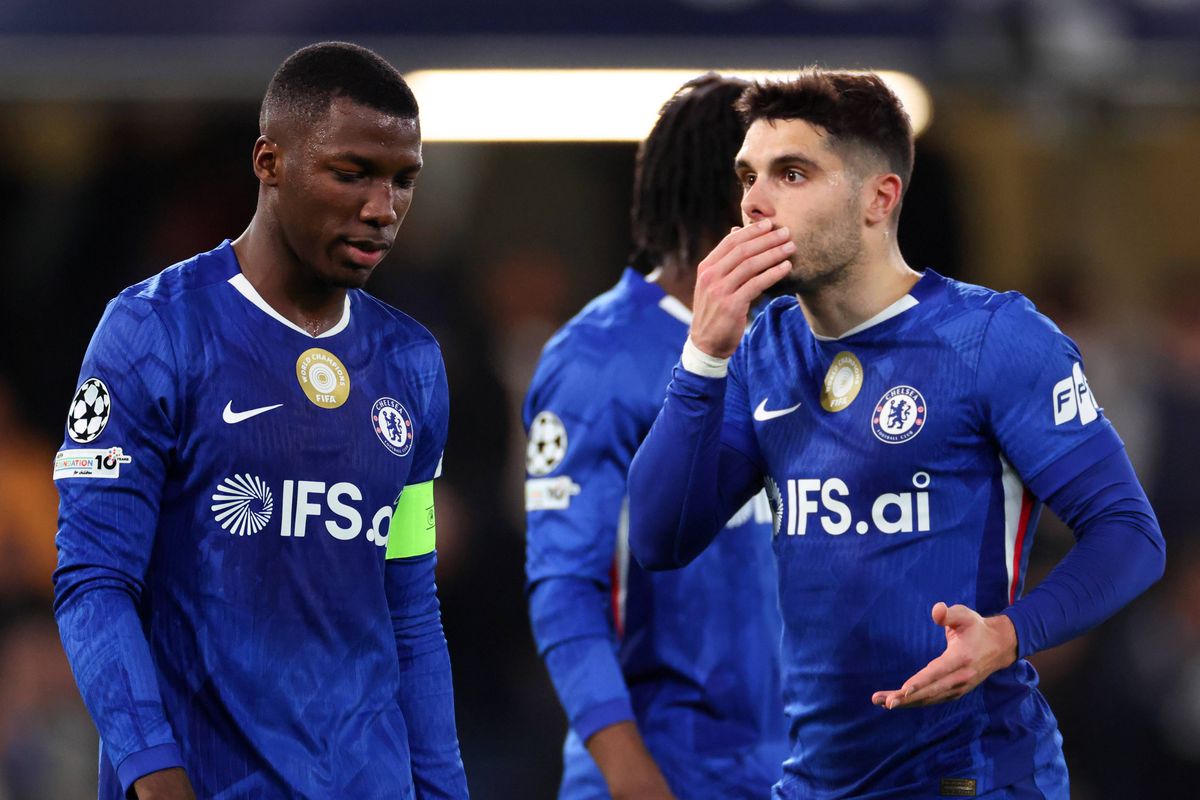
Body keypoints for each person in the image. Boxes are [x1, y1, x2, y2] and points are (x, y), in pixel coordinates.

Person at [627, 70, 1166, 798]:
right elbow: (660, 537)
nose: (754, 202)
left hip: (972, 774)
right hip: (816, 782)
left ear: (880, 198)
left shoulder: (990, 339)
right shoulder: (761, 351)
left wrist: (1007, 635)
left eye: (792, 173)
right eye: (747, 176)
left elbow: (1131, 534)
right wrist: (702, 358)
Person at [52, 42, 468, 800]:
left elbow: (408, 605)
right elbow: (94, 582)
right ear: (269, 163)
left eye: (403, 180)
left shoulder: (411, 364)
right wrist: (155, 774)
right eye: (353, 173)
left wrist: (441, 788)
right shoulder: (154, 332)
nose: (384, 209)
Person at [523, 74, 787, 800]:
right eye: (773, 176)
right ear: (730, 195)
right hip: (667, 771)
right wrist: (630, 775)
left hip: (795, 774)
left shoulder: (792, 343)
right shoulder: (597, 359)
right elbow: (565, 588)